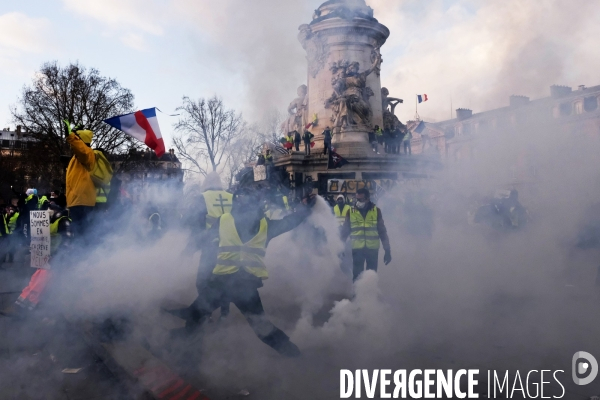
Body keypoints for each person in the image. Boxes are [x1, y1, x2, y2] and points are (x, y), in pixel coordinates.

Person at [170, 181, 316, 357]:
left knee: (196, 315)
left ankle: (182, 349)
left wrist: (188, 252)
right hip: (245, 286)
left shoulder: (223, 220)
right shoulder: (265, 225)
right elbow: (289, 222)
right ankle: (293, 353)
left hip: (222, 284)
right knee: (262, 327)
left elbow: (204, 239)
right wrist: (305, 209)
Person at [1, 204, 72, 316]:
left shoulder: (63, 221)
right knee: (37, 279)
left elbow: (67, 242)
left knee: (39, 283)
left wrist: (58, 256)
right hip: (46, 257)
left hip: (55, 259)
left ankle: (23, 307)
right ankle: (29, 306)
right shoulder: (49, 221)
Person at [341, 188, 392, 281]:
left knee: (371, 275)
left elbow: (382, 232)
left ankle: (370, 293)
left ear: (367, 198)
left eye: (361, 199)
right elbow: (344, 231)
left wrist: (387, 250)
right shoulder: (350, 212)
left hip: (372, 249)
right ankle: (357, 294)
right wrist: (340, 247)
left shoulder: (376, 211)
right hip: (357, 249)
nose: (358, 202)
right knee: (357, 275)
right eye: (357, 199)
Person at [65, 127, 97, 238]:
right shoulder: (80, 156)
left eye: (78, 138)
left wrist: (71, 136)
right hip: (78, 201)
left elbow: (80, 148)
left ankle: (84, 255)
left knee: (82, 236)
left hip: (81, 202)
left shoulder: (87, 153)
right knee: (81, 235)